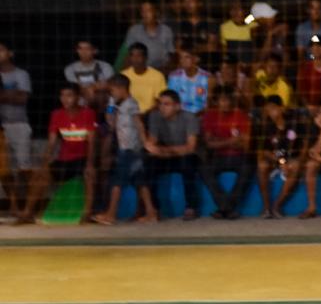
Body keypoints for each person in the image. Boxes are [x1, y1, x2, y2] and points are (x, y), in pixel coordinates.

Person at [19, 84, 97, 223]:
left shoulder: (88, 113)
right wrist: (44, 165)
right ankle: (27, 213)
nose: (65, 99)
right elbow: (51, 143)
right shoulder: (57, 114)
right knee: (39, 176)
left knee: (89, 176)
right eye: (62, 96)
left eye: (69, 95)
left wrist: (89, 164)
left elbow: (91, 142)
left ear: (78, 97)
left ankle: (87, 214)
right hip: (65, 159)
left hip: (83, 158)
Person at [92, 74, 148, 224]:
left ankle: (111, 214)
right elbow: (110, 120)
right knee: (139, 180)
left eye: (112, 91)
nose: (111, 94)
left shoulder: (131, 104)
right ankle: (151, 212)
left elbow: (139, 124)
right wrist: (111, 102)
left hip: (130, 148)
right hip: (125, 147)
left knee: (117, 181)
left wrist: (145, 142)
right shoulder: (118, 105)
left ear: (121, 88)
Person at [141, 89, 203, 220]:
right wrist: (160, 151)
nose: (162, 108)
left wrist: (166, 151)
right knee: (148, 164)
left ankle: (191, 207)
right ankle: (155, 209)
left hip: (184, 156)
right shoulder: (155, 116)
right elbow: (152, 144)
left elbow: (190, 147)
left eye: (166, 104)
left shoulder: (189, 118)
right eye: (160, 104)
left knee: (188, 163)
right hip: (167, 156)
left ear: (177, 106)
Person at [199, 86, 252, 218]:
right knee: (203, 169)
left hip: (239, 156)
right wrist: (232, 141)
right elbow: (209, 144)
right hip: (218, 157)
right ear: (217, 101)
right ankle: (228, 208)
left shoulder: (241, 115)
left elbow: (245, 144)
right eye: (222, 100)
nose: (226, 103)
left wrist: (219, 141)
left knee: (249, 168)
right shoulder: (210, 116)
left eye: (228, 100)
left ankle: (224, 208)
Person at [254, 96, 305, 218]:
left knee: (296, 166)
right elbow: (266, 152)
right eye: (268, 110)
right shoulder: (267, 127)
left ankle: (277, 206)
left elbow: (304, 145)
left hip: (292, 158)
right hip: (275, 159)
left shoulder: (294, 122)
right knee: (261, 166)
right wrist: (281, 162)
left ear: (281, 108)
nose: (271, 112)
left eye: (273, 109)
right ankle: (266, 208)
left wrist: (299, 160)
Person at [0, 43, 34, 209]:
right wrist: (11, 94)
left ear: (10, 53)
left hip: (19, 124)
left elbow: (23, 99)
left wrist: (3, 95)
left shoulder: (21, 74)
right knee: (4, 171)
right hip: (1, 127)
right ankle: (13, 206)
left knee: (24, 168)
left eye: (0, 50)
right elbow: (16, 96)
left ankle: (29, 207)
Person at [122, 0, 176, 70]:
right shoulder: (134, 30)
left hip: (162, 70)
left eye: (148, 10)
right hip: (140, 70)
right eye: (142, 11)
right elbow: (129, 55)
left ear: (156, 12)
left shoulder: (166, 30)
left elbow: (171, 54)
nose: (145, 14)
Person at [168, 49, 211, 114]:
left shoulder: (207, 77)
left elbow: (208, 103)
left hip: (200, 116)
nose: (183, 60)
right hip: (179, 115)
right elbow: (171, 100)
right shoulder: (174, 76)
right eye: (181, 58)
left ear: (196, 59)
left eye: (187, 57)